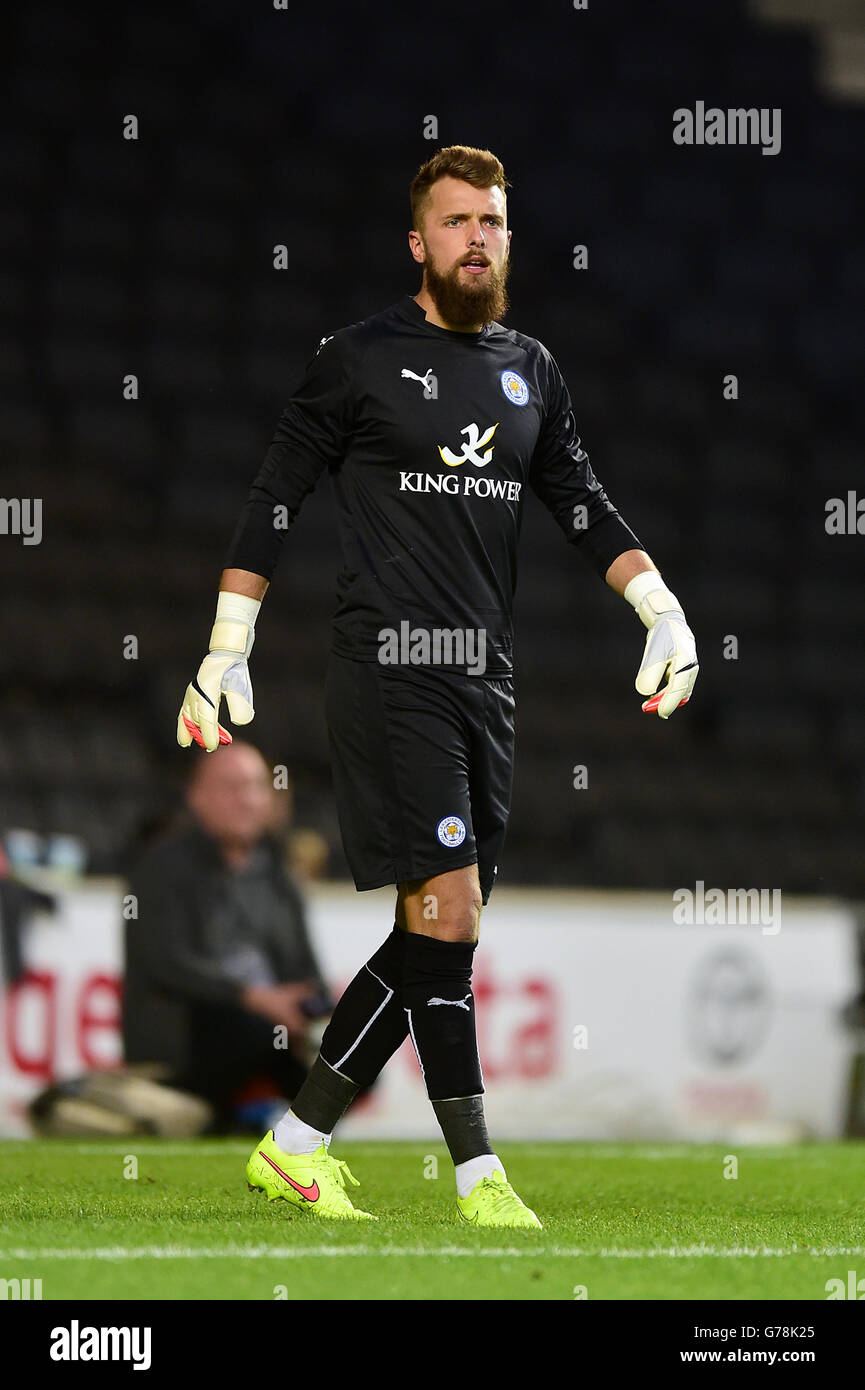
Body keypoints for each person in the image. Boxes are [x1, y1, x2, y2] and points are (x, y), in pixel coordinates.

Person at [177, 145, 699, 1222]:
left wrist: (660, 608)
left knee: (436, 931)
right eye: (455, 221)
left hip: (484, 680)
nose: (475, 238)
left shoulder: (532, 371)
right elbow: (275, 493)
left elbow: (584, 501)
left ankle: (297, 1138)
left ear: (508, 236)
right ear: (418, 242)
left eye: (491, 222)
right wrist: (227, 641)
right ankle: (477, 1173)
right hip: (388, 667)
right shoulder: (357, 358)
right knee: (448, 911)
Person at [123, 741, 332, 1129]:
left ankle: (274, 1120)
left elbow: (307, 971)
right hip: (191, 1034)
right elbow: (166, 962)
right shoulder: (161, 865)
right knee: (251, 1030)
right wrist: (254, 997)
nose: (247, 799)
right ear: (197, 797)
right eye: (232, 787)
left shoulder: (278, 878)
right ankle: (247, 1115)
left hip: (276, 1030)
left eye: (256, 786)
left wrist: (312, 1003)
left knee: (354, 1048)